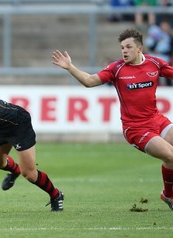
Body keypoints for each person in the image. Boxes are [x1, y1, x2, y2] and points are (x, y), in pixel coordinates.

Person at [52, 28, 173, 210]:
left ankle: (168, 195)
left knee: (171, 159)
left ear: (139, 48)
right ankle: (169, 195)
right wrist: (70, 67)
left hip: (157, 120)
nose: (124, 51)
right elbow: (90, 81)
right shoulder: (117, 69)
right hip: (136, 129)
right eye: (122, 47)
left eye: (128, 47)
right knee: (171, 156)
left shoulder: (155, 64)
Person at [145, 19, 173, 86]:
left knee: (167, 73)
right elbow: (150, 46)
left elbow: (171, 49)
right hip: (155, 57)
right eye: (163, 26)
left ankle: (168, 87)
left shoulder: (170, 37)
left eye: (166, 26)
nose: (164, 27)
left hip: (165, 57)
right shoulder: (156, 36)